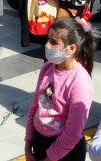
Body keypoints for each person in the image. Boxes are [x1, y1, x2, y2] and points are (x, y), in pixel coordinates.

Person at [24, 18, 95, 161]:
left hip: (65, 151)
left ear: (71, 49)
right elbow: (35, 107)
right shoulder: (47, 68)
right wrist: (28, 142)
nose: (47, 45)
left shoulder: (80, 82)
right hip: (40, 141)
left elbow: (72, 133)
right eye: (48, 39)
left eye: (54, 42)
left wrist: (49, 158)